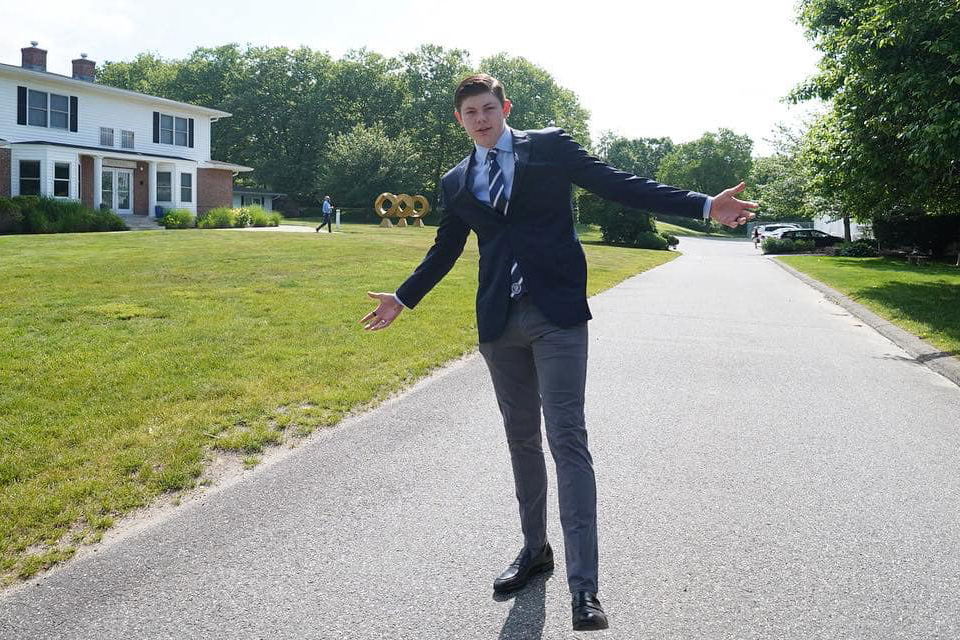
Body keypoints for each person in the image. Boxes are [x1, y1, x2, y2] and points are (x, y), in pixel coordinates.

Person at [361, 74, 757, 632]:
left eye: (489, 108)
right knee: (521, 439)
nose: (481, 119)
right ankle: (534, 550)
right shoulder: (456, 180)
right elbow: (444, 249)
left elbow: (618, 184)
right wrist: (403, 297)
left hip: (557, 316)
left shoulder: (548, 147)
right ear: (459, 119)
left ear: (505, 107)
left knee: (567, 439)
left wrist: (703, 204)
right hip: (499, 323)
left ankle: (584, 587)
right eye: (471, 112)